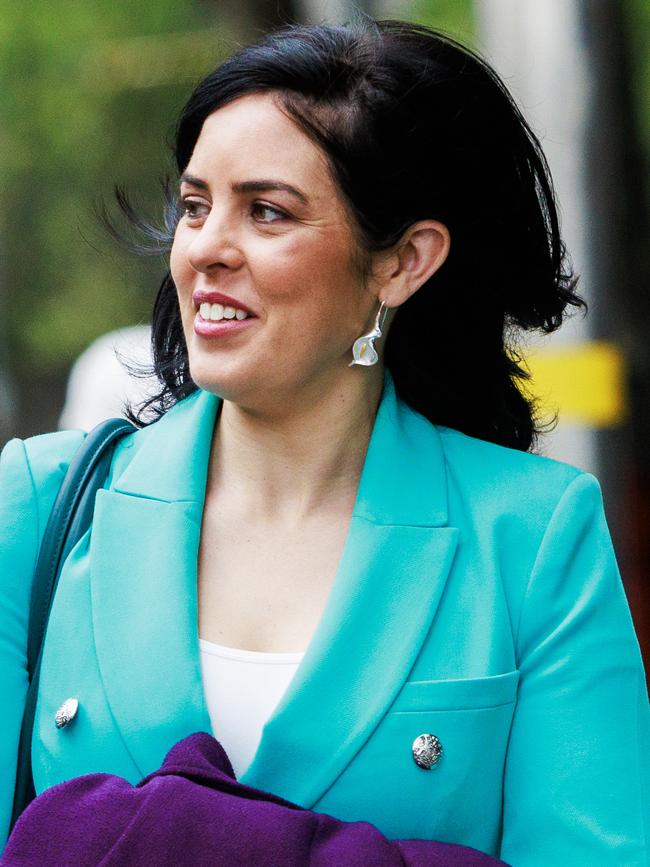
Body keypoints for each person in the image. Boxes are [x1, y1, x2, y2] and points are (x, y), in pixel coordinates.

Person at [1, 18, 648, 865]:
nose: (205, 250)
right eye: (196, 205)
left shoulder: (533, 536)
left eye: (266, 211)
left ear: (404, 262)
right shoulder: (41, 502)